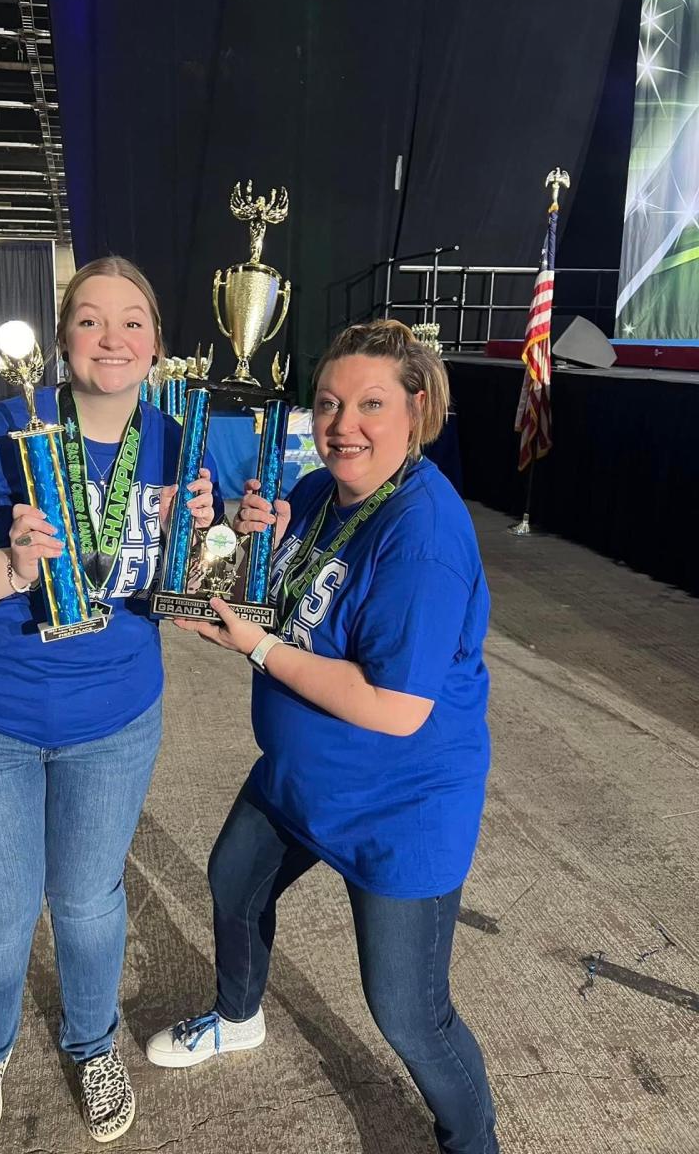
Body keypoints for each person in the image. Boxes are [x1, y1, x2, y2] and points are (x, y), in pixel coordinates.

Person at [146, 319, 499, 1154]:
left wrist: (259, 647)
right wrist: (234, 545)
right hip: (301, 781)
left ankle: (472, 1142)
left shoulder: (424, 535)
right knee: (234, 881)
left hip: (399, 806)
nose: (344, 423)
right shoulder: (315, 492)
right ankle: (237, 1018)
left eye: (371, 404)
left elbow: (395, 707)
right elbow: (258, 585)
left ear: (416, 409)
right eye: (330, 403)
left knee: (410, 1014)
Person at [0, 256, 222, 1148]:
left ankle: (93, 1045)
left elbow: (189, 589)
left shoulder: (178, 441)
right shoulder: (7, 431)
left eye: (131, 321)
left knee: (88, 901)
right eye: (89, 320)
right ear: (61, 339)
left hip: (113, 721)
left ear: (158, 344)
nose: (111, 338)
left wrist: (207, 532)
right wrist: (9, 565)